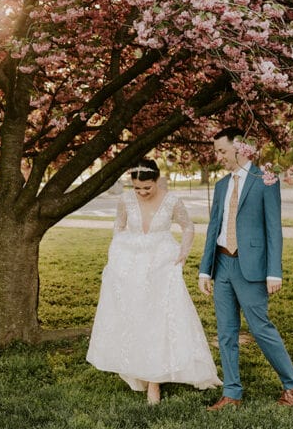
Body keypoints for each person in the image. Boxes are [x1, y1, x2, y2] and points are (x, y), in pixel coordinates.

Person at [87, 158, 221, 404]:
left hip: (162, 263)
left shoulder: (172, 201)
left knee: (159, 318)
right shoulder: (125, 200)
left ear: (157, 180)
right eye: (137, 188)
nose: (141, 192)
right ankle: (139, 366)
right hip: (132, 264)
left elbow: (188, 227)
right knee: (137, 316)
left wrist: (183, 252)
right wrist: (117, 253)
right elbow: (119, 226)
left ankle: (154, 382)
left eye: (146, 187)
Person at [198, 126, 293, 410]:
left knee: (260, 327)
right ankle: (231, 393)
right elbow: (213, 228)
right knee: (225, 332)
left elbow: (274, 228)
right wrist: (205, 270)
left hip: (252, 266)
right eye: (216, 152)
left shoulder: (265, 180)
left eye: (222, 151)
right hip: (222, 264)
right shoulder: (221, 185)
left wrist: (274, 271)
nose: (219, 157)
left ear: (240, 148)